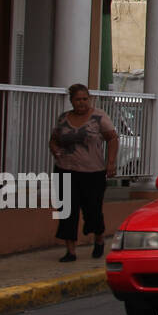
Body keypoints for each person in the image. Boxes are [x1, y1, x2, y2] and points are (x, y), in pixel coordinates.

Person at [49, 84, 118, 262]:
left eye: (85, 99)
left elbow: (112, 138)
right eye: (78, 99)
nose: (82, 103)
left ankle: (99, 238)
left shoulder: (99, 117)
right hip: (65, 170)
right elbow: (54, 140)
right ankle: (70, 251)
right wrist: (56, 151)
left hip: (92, 172)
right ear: (71, 101)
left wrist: (111, 163)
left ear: (90, 99)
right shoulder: (63, 118)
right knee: (66, 211)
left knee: (92, 210)